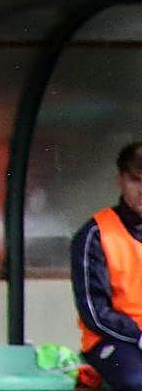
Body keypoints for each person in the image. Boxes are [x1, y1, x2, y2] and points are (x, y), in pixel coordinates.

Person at [72, 141, 142, 391]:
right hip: (110, 340)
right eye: (135, 180)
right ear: (120, 180)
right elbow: (94, 311)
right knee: (136, 381)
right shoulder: (95, 234)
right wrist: (138, 335)